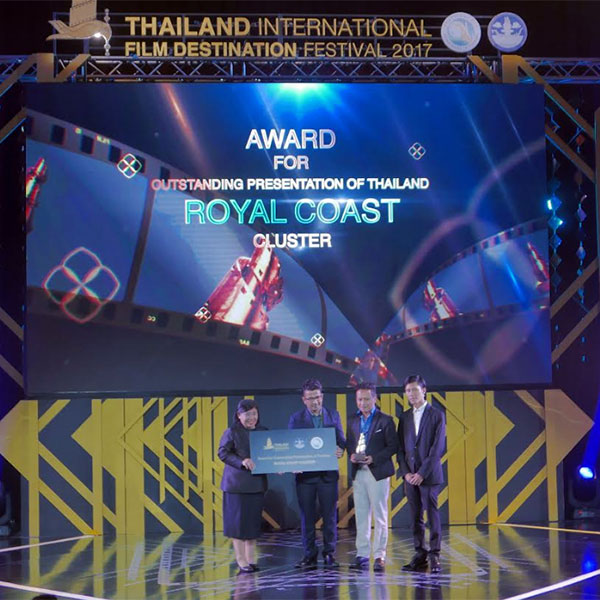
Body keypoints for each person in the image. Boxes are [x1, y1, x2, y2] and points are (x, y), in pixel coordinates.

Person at [288, 378, 346, 568]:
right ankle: (309, 555)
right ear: (304, 400)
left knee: (330, 516)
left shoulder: (333, 415)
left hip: (327, 476)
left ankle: (329, 554)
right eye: (311, 398)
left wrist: (341, 449)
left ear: (322, 396)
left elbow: (341, 440)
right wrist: (293, 463)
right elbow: (291, 445)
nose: (315, 402)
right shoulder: (296, 419)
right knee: (307, 517)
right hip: (305, 477)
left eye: (318, 397)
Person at [397, 375, 446, 573]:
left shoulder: (436, 415)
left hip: (429, 476)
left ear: (424, 390)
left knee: (432, 515)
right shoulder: (404, 417)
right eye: (408, 391)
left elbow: (437, 448)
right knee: (415, 516)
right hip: (410, 476)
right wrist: (406, 474)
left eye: (414, 390)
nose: (411, 394)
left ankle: (435, 555)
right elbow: (400, 448)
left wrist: (422, 473)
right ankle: (420, 554)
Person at [346, 382, 398, 572]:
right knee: (361, 515)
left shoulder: (385, 420)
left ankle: (379, 556)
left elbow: (393, 446)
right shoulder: (352, 419)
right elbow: (350, 443)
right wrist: (352, 455)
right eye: (359, 399)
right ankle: (362, 554)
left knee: (380, 515)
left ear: (375, 398)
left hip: (378, 472)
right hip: (358, 472)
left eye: (367, 399)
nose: (363, 403)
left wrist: (374, 458)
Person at [218, 399, 268, 574]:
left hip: (256, 484)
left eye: (254, 414)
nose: (252, 418)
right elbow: (223, 453)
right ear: (239, 415)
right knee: (237, 525)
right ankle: (241, 559)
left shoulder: (263, 432)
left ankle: (250, 558)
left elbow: (270, 454)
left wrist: (276, 466)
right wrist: (242, 461)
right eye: (247, 414)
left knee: (252, 523)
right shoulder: (231, 432)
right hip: (236, 485)